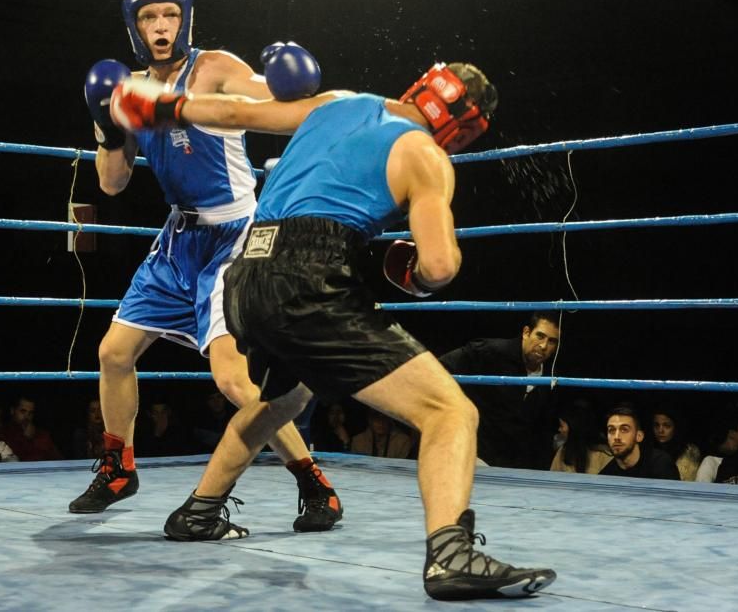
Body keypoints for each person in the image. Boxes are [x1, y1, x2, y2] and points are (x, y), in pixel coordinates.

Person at [111, 60, 556, 599]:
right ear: (463, 127)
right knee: (451, 411)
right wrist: (412, 274)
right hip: (307, 277)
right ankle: (450, 555)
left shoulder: (341, 101)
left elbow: (235, 112)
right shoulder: (425, 155)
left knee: (282, 399)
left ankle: (199, 512)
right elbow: (438, 267)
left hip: (245, 272)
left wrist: (162, 105)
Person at [70, 0, 342, 533]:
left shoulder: (215, 68)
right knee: (113, 353)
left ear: (185, 17)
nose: (161, 26)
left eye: (169, 14)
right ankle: (119, 468)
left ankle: (315, 485)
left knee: (237, 383)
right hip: (178, 240)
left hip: (234, 237)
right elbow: (112, 184)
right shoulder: (133, 90)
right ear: (134, 27)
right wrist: (105, 125)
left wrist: (293, 80)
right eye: (148, 17)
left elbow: (281, 102)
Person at [438, 311, 562, 469]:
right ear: (526, 332)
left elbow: (543, 430)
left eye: (552, 341)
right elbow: (441, 367)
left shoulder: (551, 377)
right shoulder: (490, 352)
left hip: (514, 466)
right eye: (540, 336)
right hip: (475, 454)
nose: (544, 346)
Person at [599, 404, 679, 480]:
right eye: (611, 430)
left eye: (624, 430)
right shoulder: (606, 475)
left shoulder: (661, 464)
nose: (616, 437)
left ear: (639, 436)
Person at [549, 401, 611, 474]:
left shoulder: (603, 454)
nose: (559, 429)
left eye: (561, 426)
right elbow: (553, 476)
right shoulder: (563, 451)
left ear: (574, 428)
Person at [1, 395, 63, 462]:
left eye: (30, 413)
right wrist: (27, 439)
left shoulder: (42, 435)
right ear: (12, 411)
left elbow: (59, 460)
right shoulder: (3, 434)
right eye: (23, 411)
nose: (27, 417)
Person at [650, 404, 701, 481]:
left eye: (667, 425)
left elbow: (685, 483)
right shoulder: (647, 449)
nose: (660, 430)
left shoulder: (689, 451)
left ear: (676, 427)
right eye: (656, 425)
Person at [350, 408, 414, 459]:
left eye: (384, 417)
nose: (381, 422)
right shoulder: (358, 441)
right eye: (376, 417)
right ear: (369, 420)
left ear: (390, 419)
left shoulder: (402, 441)